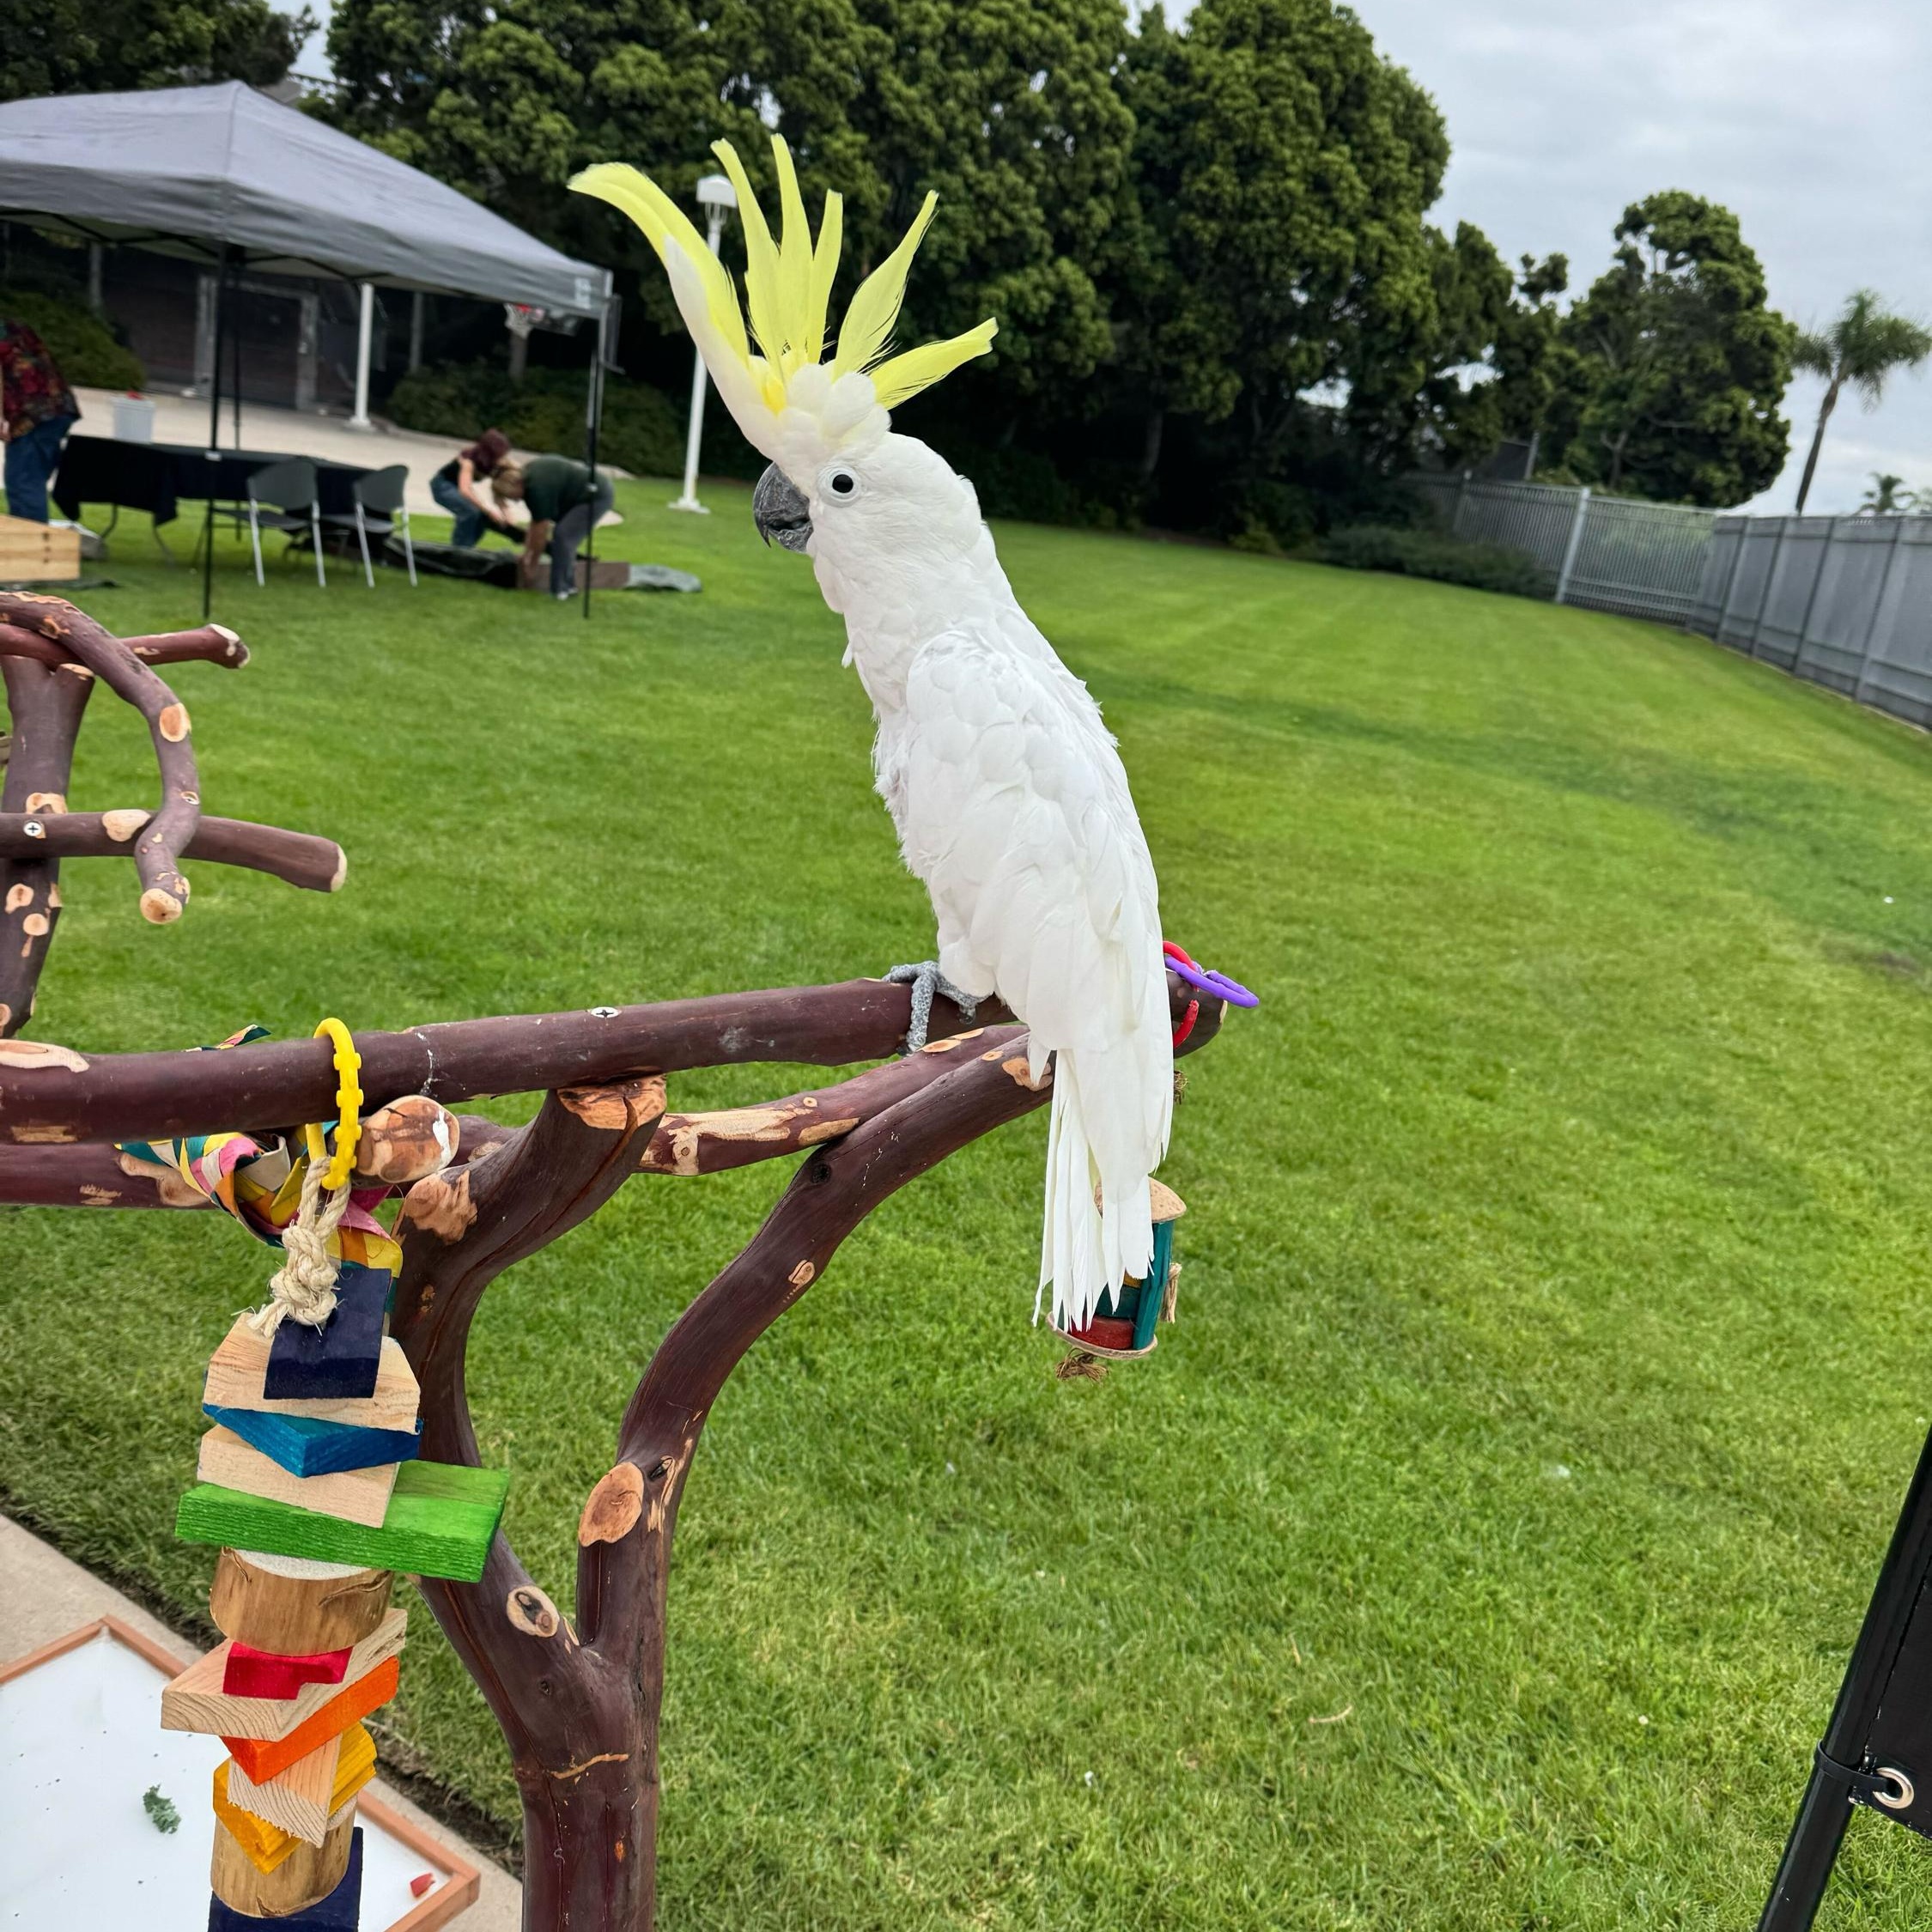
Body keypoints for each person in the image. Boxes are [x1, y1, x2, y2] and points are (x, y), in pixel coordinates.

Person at [490, 456, 615, 600]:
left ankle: (562, 589)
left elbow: (541, 532)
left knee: (564, 536)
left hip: (595, 495)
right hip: (575, 497)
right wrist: (527, 555)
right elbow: (535, 524)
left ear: (517, 484)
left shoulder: (537, 488)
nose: (516, 501)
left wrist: (532, 565)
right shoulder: (529, 477)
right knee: (563, 536)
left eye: (512, 496)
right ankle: (568, 585)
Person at [0, 317, 81, 525]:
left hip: (34, 414)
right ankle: (27, 541)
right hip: (56, 408)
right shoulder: (15, 328)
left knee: (23, 482)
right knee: (29, 480)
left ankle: (29, 547)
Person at [430, 428, 516, 546]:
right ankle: (459, 551)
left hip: (457, 487)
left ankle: (468, 549)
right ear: (488, 452)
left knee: (482, 517)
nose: (501, 458)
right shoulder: (468, 460)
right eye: (498, 455)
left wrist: (508, 517)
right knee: (470, 512)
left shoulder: (498, 463)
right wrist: (489, 510)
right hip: (442, 486)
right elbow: (465, 490)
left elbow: (498, 492)